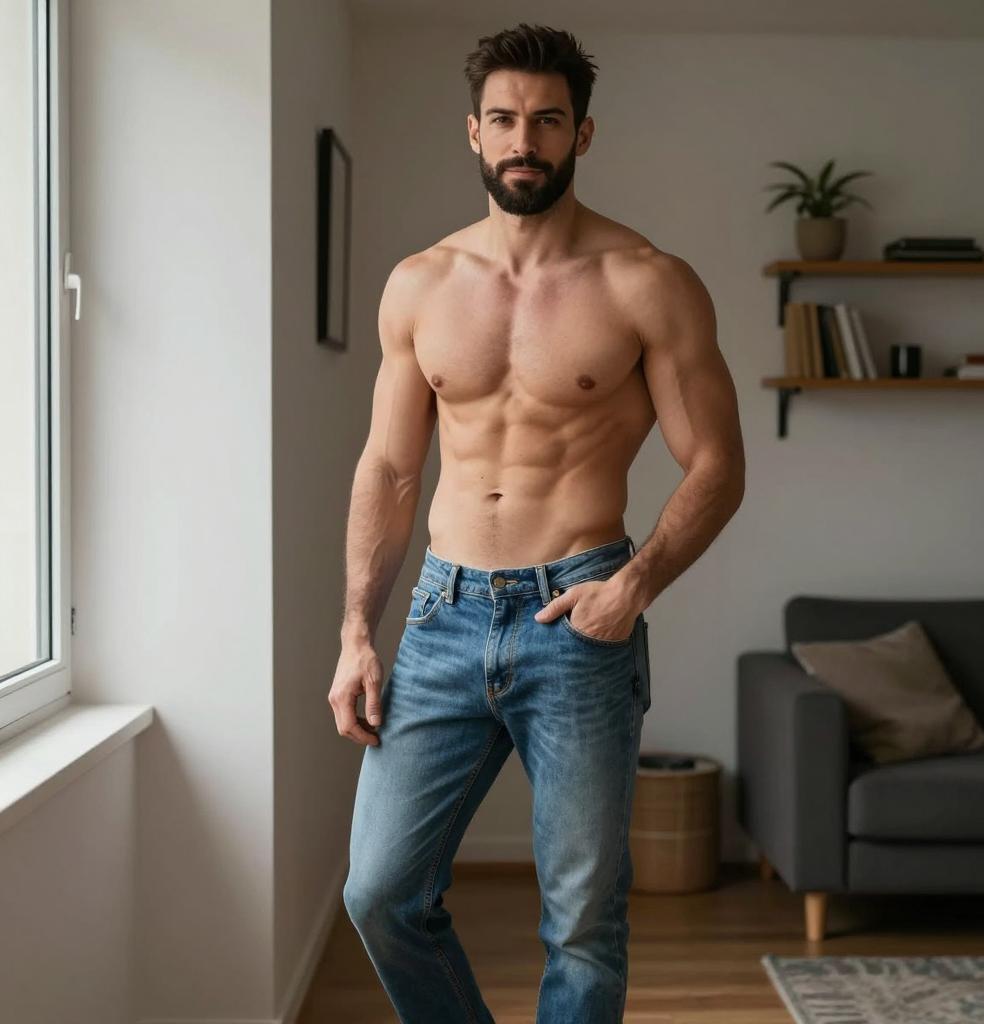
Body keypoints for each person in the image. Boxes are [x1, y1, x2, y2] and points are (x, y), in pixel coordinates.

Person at [330, 22, 745, 1024]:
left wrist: (632, 586)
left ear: (581, 134)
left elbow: (718, 466)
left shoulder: (646, 281)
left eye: (548, 120)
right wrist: (356, 633)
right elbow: (390, 468)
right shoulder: (421, 284)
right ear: (474, 131)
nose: (526, 140)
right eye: (506, 119)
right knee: (379, 893)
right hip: (443, 616)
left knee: (583, 921)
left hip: (579, 616)